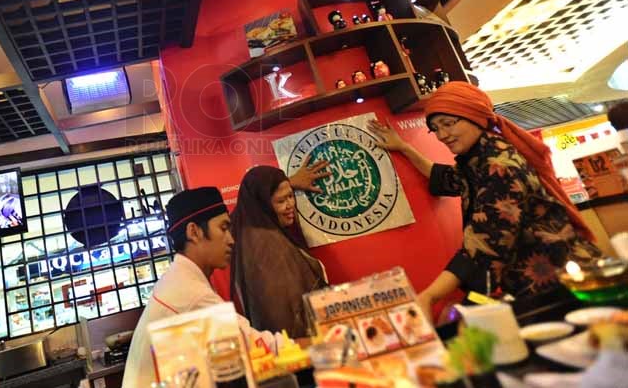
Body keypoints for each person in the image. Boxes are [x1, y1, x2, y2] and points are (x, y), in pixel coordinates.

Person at [366, 81, 601, 320]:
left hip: (565, 285)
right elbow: (446, 179)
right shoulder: (477, 159)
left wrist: (429, 296)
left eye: (448, 123)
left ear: (474, 116)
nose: (442, 135)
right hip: (548, 285)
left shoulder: (499, 166)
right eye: (435, 128)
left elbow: (486, 242)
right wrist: (404, 147)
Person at [122, 187, 276, 388]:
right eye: (223, 228)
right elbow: (260, 347)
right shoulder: (190, 292)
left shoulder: (180, 278)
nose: (231, 240)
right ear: (194, 232)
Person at [230, 164, 329, 338]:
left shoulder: (254, 231)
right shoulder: (267, 248)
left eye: (290, 196)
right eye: (281, 201)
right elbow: (286, 317)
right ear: (263, 206)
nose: (290, 205)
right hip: (297, 344)